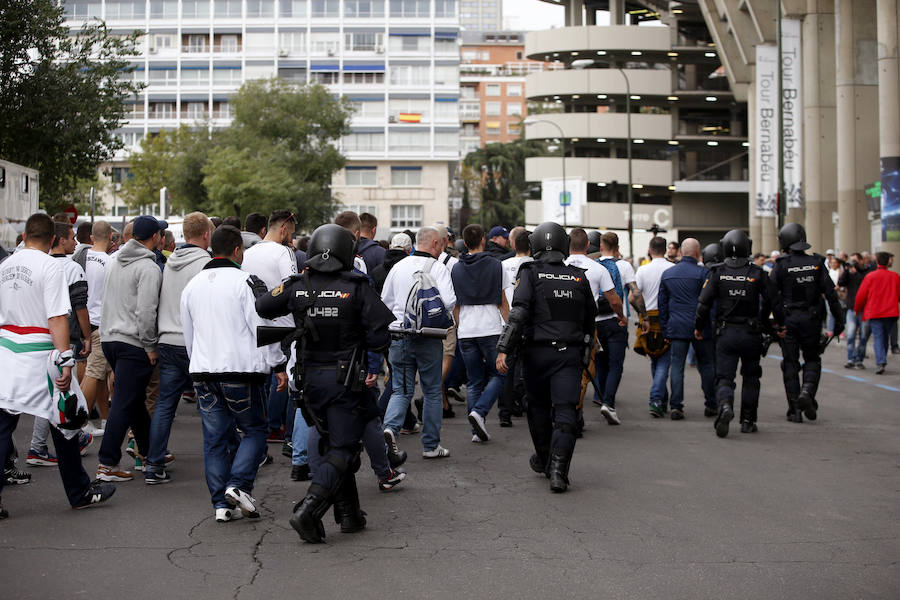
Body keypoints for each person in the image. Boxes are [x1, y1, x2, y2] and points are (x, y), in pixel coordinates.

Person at [256, 224, 394, 543]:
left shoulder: (298, 284)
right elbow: (379, 337)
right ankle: (309, 508)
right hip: (344, 381)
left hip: (308, 381)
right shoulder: (356, 286)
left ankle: (349, 515)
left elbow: (263, 306)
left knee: (334, 445)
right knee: (345, 450)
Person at [0, 213, 116, 518]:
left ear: (24, 236)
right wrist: (66, 360)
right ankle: (79, 492)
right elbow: (56, 317)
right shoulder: (50, 266)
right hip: (39, 353)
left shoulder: (6, 265)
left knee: (3, 425)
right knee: (66, 421)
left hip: (7, 351)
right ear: (53, 240)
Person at [181, 225, 285, 522]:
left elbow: (189, 334)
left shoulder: (193, 285)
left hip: (203, 370)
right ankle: (238, 485)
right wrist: (277, 364)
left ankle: (221, 505)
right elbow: (263, 326)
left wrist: (196, 364)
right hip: (242, 370)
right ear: (238, 250)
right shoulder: (247, 282)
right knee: (254, 430)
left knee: (214, 439)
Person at [496, 222, 597, 493]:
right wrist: (586, 353)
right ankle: (558, 472)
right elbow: (590, 321)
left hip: (537, 354)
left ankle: (544, 459)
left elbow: (518, 314)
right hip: (569, 355)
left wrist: (504, 348)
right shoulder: (578, 276)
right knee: (566, 412)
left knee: (538, 409)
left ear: (535, 245)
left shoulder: (530, 273)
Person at [95, 215, 167, 481]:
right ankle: (107, 463)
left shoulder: (116, 262)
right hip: (133, 342)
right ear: (155, 237)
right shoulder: (149, 268)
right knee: (124, 403)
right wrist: (150, 346)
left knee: (132, 401)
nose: (162, 238)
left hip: (110, 338)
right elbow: (147, 311)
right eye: (161, 234)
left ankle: (151, 451)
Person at [144, 212, 213, 484]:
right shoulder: (206, 264)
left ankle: (153, 464)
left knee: (164, 404)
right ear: (207, 234)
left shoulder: (170, 263)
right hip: (194, 343)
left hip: (167, 341)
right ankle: (219, 460)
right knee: (210, 404)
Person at [695, 229, 784, 437]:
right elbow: (775, 301)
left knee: (724, 377)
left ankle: (725, 405)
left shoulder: (717, 273)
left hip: (726, 333)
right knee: (751, 377)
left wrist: (699, 327)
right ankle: (747, 420)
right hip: (751, 333)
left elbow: (703, 304)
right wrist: (775, 324)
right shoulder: (757, 273)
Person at [381, 227, 456, 459]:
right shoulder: (438, 268)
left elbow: (385, 301)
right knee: (432, 390)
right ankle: (431, 445)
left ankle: (389, 431)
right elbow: (449, 301)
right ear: (435, 243)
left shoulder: (398, 267)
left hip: (399, 336)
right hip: (428, 337)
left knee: (400, 390)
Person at [26, 223, 95, 469]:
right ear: (59, 240)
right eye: (71, 238)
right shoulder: (72, 268)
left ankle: (50, 443)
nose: (75, 243)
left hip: (37, 337)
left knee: (50, 393)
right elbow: (80, 308)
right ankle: (43, 444)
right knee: (59, 394)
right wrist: (87, 337)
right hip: (65, 339)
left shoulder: (39, 265)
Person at [770, 223, 843, 423]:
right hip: (812, 319)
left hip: (789, 320)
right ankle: (807, 391)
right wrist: (839, 322)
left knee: (790, 364)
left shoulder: (781, 265)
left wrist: (774, 323)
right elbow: (831, 295)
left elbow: (771, 297)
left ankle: (794, 409)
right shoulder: (817, 263)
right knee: (812, 359)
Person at [242, 210, 297, 447]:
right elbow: (291, 287)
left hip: (253, 324)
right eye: (291, 233)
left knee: (261, 379)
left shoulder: (248, 253)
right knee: (282, 378)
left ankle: (259, 425)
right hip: (282, 325)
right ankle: (275, 426)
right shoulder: (283, 252)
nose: (292, 239)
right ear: (283, 228)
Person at [452, 224, 509, 439]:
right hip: (491, 327)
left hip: (466, 329)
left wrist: (460, 326)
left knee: (474, 380)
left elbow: (455, 305)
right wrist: (510, 328)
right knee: (499, 373)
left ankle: (476, 429)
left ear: (465, 243)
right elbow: (503, 301)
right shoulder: (496, 265)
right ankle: (480, 411)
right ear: (483, 240)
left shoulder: (456, 268)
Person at [658, 238, 716, 420]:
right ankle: (711, 403)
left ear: (681, 252)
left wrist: (665, 329)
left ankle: (676, 406)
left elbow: (663, 305)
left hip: (676, 326)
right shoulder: (705, 273)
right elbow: (710, 304)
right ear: (698, 252)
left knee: (676, 366)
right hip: (700, 327)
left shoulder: (668, 274)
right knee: (706, 365)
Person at [77, 221, 114, 441]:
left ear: (91, 238)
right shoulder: (109, 262)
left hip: (84, 322)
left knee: (98, 373)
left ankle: (104, 419)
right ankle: (78, 423)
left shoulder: (81, 258)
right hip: (100, 321)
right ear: (110, 237)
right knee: (94, 374)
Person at [635, 237, 676, 417]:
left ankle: (659, 398)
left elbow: (632, 297)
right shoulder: (673, 269)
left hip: (648, 317)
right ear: (665, 250)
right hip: (667, 317)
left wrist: (642, 315)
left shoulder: (643, 270)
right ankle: (657, 399)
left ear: (650, 251)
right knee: (664, 360)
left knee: (655, 357)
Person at [498, 228, 532, 423]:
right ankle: (524, 402)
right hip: (527, 321)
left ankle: (505, 411)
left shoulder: (502, 265)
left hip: (506, 321)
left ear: (513, 245)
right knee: (528, 366)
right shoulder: (535, 266)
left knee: (506, 367)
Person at [854, 252, 900, 375]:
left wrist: (857, 310)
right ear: (889, 261)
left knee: (879, 337)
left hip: (875, 311)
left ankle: (881, 361)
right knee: (884, 337)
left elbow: (861, 295)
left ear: (877, 262)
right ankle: (881, 359)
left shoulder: (870, 276)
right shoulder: (895, 276)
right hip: (891, 312)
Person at [838, 259, 870, 369]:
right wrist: (846, 270)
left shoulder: (863, 275)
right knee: (851, 335)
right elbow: (841, 282)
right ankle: (851, 358)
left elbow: (864, 280)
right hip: (851, 309)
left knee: (863, 336)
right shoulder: (849, 276)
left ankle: (859, 359)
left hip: (863, 310)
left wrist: (858, 270)